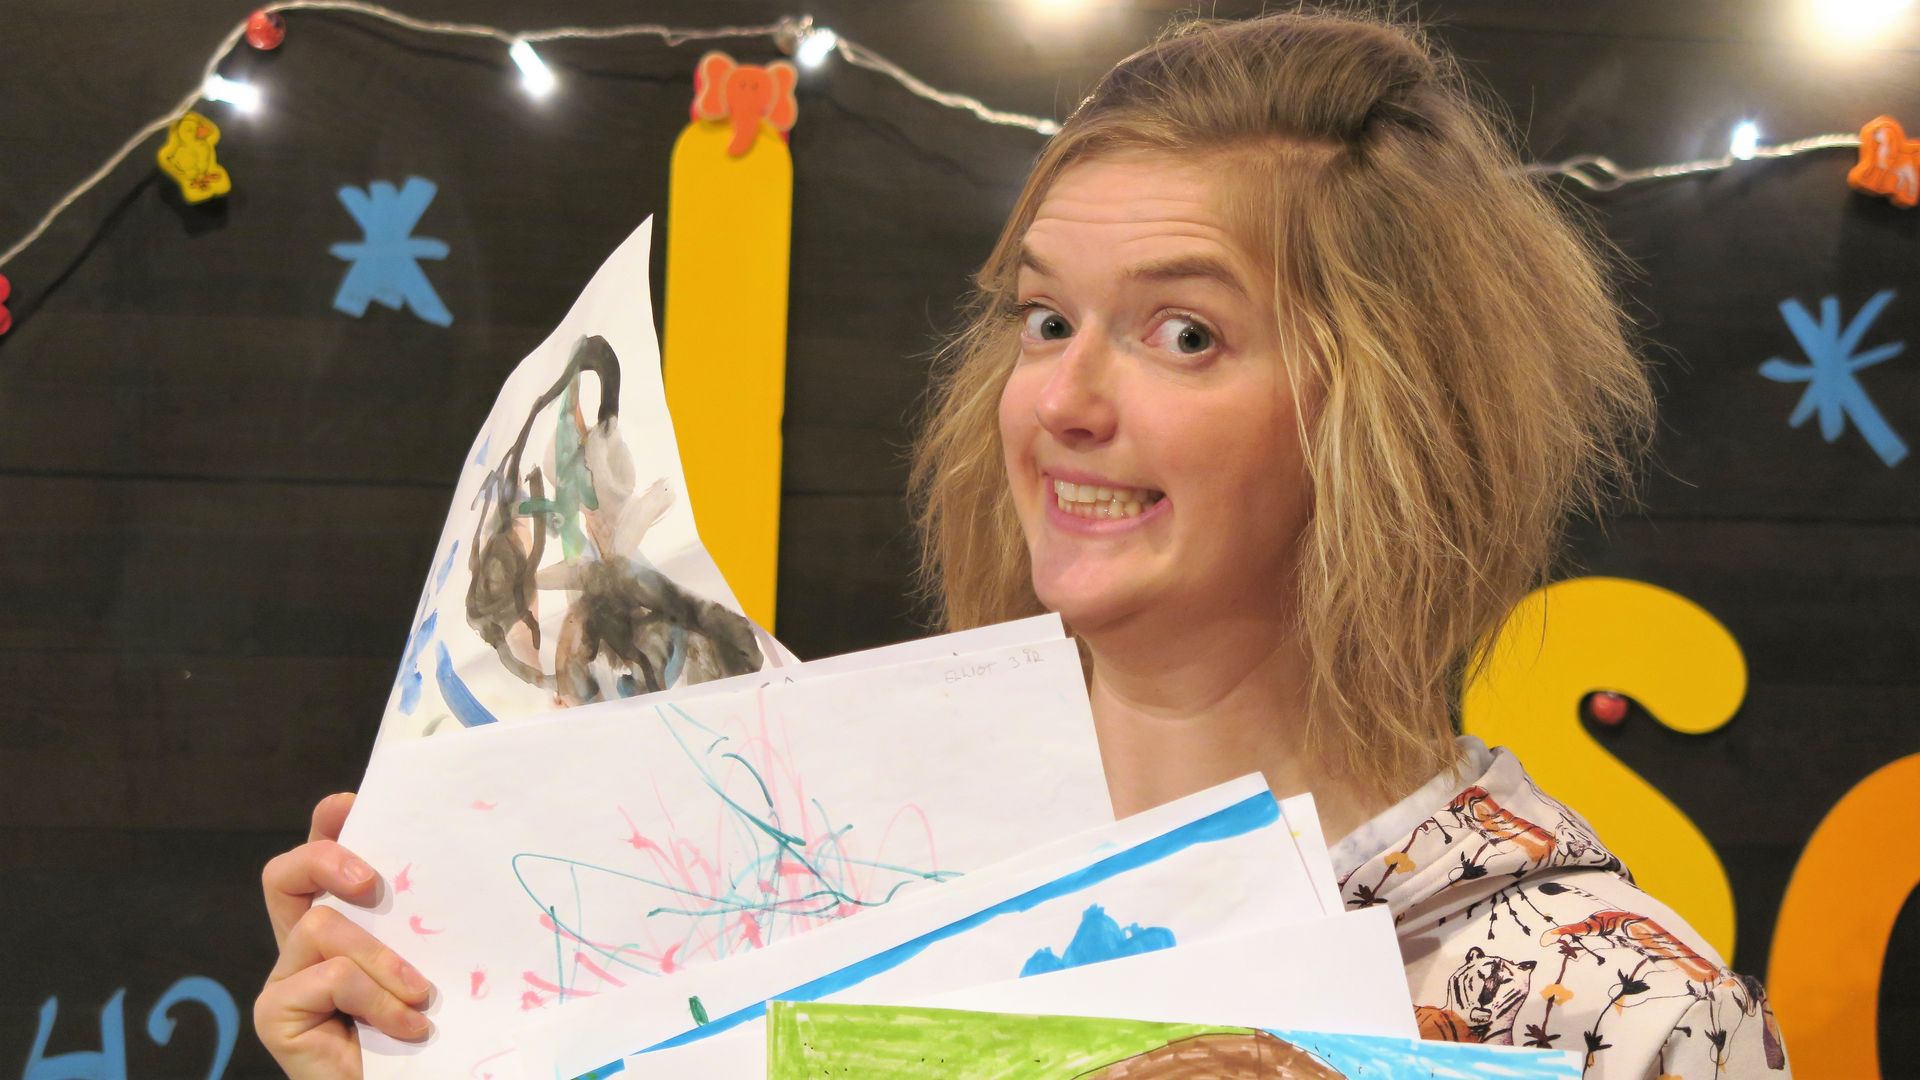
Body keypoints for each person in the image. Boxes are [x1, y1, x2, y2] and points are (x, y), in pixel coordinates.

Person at [257, 8, 1789, 1078]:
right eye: (1046, 319)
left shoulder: (1618, 1015)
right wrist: (397, 1056)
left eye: (1184, 334)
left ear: (1394, 415)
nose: (1062, 400)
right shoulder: (774, 880)